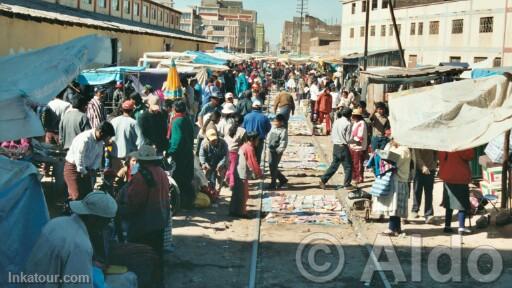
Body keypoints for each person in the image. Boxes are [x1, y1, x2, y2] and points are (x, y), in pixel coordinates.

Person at [25, 192, 118, 286]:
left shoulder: (56, 223)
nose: (106, 226)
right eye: (107, 222)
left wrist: (90, 264)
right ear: (95, 220)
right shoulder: (80, 245)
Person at [120, 145, 169, 286]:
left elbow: (134, 204)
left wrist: (122, 210)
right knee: (157, 254)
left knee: (142, 256)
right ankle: (158, 281)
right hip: (160, 220)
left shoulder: (141, 176)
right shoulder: (161, 172)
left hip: (144, 224)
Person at [64, 122, 115, 200]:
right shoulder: (85, 138)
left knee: (88, 196)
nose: (109, 139)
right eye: (108, 137)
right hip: (73, 168)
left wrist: (93, 169)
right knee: (76, 196)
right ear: (101, 133)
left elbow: (98, 156)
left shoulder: (100, 142)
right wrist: (84, 171)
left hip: (87, 169)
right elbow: (79, 157)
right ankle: (70, 210)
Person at [373, 137, 411, 236]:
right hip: (393, 179)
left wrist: (384, 155)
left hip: (399, 180)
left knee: (394, 206)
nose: (391, 140)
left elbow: (396, 160)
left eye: (393, 138)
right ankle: (396, 228)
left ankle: (392, 228)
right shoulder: (392, 146)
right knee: (393, 205)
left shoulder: (404, 150)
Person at [439, 149, 474, 235]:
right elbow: (469, 155)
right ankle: (461, 227)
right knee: (462, 203)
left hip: (447, 176)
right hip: (460, 177)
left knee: (449, 203)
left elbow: (440, 157)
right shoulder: (461, 143)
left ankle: (447, 226)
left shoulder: (445, 144)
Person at [167, 101, 195, 209]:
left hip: (180, 156)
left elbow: (176, 141)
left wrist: (169, 151)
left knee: (179, 179)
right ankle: (189, 202)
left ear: (174, 109)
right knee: (187, 178)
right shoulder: (187, 120)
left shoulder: (177, 121)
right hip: (188, 153)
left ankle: (182, 204)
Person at [230, 132, 263, 217]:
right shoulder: (249, 148)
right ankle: (242, 212)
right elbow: (253, 163)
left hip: (237, 172)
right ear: (252, 139)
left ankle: (233, 211)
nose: (258, 141)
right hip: (242, 174)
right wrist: (259, 173)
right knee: (242, 195)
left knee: (236, 194)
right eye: (257, 139)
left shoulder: (244, 146)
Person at [319, 108, 353, 189]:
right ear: (349, 115)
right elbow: (348, 139)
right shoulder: (348, 123)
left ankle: (323, 180)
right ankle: (347, 184)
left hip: (336, 146)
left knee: (334, 165)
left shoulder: (337, 121)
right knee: (348, 166)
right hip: (343, 146)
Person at [110, 100, 141, 173]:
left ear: (122, 109)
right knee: (132, 180)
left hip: (115, 156)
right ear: (132, 110)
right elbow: (140, 141)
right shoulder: (134, 123)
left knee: (117, 180)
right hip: (130, 158)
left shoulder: (113, 121)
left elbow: (109, 138)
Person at [411, 149, 437, 223]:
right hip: (418, 170)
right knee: (417, 190)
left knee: (429, 192)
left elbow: (436, 153)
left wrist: (434, 164)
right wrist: (423, 166)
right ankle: (415, 210)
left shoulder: (432, 141)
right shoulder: (418, 141)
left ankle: (429, 214)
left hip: (430, 169)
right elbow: (417, 156)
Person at [266, 114, 289, 190]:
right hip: (271, 149)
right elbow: (269, 136)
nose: (275, 122)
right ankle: (282, 179)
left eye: (276, 121)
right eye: (275, 121)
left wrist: (279, 150)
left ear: (281, 122)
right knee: (271, 165)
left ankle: (273, 183)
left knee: (274, 167)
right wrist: (268, 144)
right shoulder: (273, 128)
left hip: (276, 151)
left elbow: (283, 142)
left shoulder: (283, 131)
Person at [224, 114, 246, 189]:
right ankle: (232, 184)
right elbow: (243, 142)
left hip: (225, 150)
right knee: (233, 169)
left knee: (228, 167)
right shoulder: (243, 131)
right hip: (234, 152)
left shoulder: (227, 127)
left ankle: (226, 178)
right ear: (242, 122)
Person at [349, 108, 368, 185]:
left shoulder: (362, 123)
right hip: (353, 146)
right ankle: (354, 177)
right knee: (353, 163)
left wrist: (351, 141)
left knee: (358, 163)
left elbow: (359, 137)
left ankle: (359, 177)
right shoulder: (355, 123)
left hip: (358, 147)